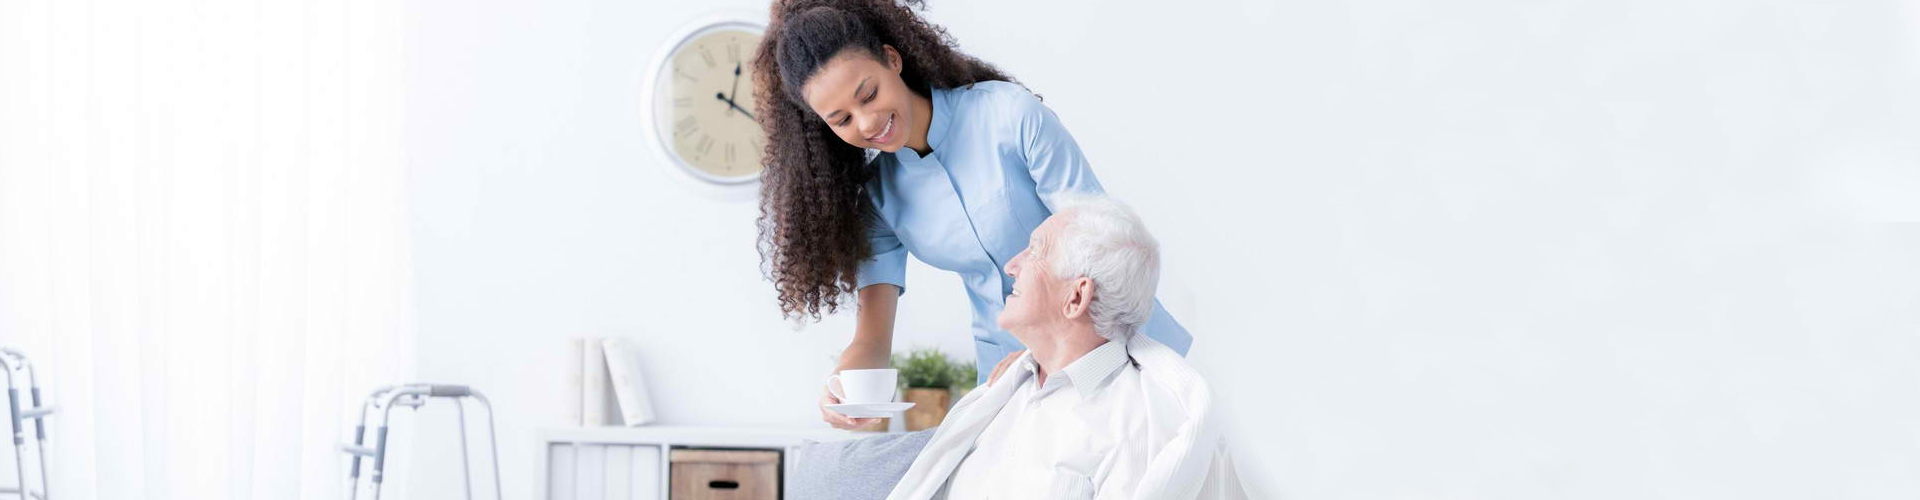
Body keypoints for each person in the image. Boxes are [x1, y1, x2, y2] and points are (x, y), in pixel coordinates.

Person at [752, 0, 1193, 430]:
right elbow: (872, 337)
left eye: (868, 94)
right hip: (1010, 379)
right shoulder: (880, 199)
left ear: (892, 59)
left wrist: (1046, 353)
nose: (866, 124)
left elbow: (1101, 245)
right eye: (841, 119)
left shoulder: (1009, 115)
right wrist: (843, 388)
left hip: (1119, 346)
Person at [886, 195, 1241, 500]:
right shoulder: (1000, 396)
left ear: (1076, 296)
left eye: (1035, 250)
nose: (1011, 266)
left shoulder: (1134, 426)